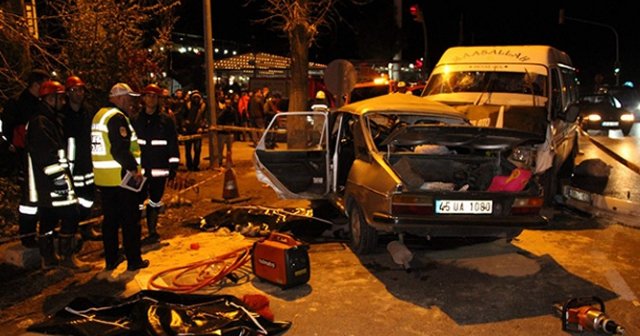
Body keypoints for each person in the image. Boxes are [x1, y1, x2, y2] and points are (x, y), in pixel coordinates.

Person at [25, 80, 89, 271]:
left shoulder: (47, 119)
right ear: (50, 98)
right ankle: (67, 257)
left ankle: (50, 259)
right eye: (60, 98)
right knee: (71, 214)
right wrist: (62, 183)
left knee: (48, 218)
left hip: (45, 184)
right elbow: (47, 157)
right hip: (52, 183)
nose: (63, 101)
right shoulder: (41, 122)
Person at [91, 82, 149, 272]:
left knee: (110, 222)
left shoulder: (99, 115)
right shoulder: (117, 118)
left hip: (104, 179)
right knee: (130, 221)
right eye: (129, 98)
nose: (131, 103)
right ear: (121, 98)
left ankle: (111, 259)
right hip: (121, 179)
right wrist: (134, 169)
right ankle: (134, 260)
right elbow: (119, 149)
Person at [1, 69, 50, 248]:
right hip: (24, 158)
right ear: (36, 84)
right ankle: (28, 236)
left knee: (40, 198)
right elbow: (6, 130)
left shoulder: (40, 104)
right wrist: (10, 148)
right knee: (29, 200)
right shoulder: (17, 104)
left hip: (39, 158)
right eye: (44, 85)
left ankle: (41, 234)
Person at [132, 84, 179, 244]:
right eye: (148, 96)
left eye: (154, 96)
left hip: (159, 169)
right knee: (137, 202)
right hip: (140, 171)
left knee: (155, 200)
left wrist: (173, 166)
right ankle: (135, 231)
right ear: (143, 99)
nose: (151, 99)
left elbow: (173, 144)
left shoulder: (166, 121)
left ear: (159, 100)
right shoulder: (135, 120)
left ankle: (152, 231)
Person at [61, 76, 96, 226]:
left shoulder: (89, 112)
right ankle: (69, 229)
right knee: (68, 199)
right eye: (74, 90)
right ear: (67, 93)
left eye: (81, 90)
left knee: (88, 198)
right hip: (69, 166)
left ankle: (86, 225)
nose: (79, 93)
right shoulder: (62, 113)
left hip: (87, 164)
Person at [181, 90, 207, 171]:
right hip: (188, 130)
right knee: (188, 150)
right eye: (194, 97)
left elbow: (205, 118)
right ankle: (189, 165)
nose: (196, 99)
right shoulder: (187, 105)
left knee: (197, 149)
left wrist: (201, 127)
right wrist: (184, 125)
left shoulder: (203, 106)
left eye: (197, 97)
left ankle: (196, 165)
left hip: (197, 130)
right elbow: (182, 116)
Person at [217, 97, 239, 167]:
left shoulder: (233, 111)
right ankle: (219, 162)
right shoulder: (221, 110)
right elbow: (218, 119)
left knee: (229, 149)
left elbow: (236, 120)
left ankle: (229, 161)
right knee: (220, 148)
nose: (228, 105)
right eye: (226, 103)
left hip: (229, 132)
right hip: (222, 132)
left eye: (229, 103)